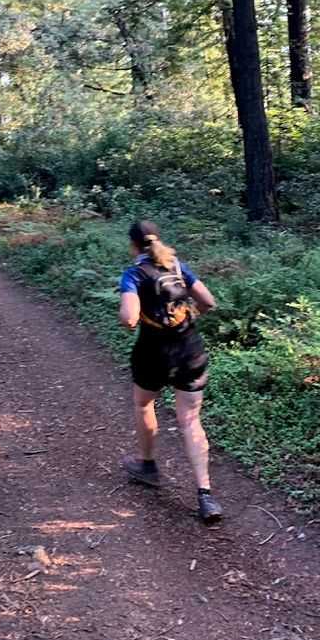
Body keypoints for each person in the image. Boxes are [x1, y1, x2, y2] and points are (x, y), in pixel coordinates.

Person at [118, 220, 223, 523]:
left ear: (133, 245)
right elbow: (208, 301)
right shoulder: (177, 266)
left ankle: (147, 465)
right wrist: (187, 316)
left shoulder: (133, 274)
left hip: (153, 354)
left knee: (143, 402)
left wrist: (133, 315)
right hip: (190, 350)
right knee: (190, 420)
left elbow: (128, 319)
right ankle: (205, 495)